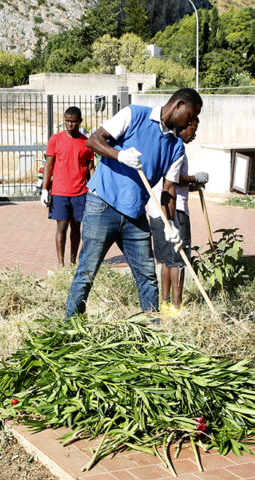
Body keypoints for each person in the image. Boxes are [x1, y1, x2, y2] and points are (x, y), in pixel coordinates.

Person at [65, 88, 203, 317]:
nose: (190, 122)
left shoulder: (176, 147)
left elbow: (168, 189)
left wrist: (171, 226)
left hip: (135, 215)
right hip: (102, 204)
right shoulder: (134, 115)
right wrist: (119, 155)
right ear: (179, 105)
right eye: (190, 115)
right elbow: (93, 140)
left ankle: (152, 328)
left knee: (147, 275)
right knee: (87, 272)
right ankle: (69, 327)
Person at [147, 117, 208, 314]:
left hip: (156, 210)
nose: (194, 133)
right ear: (185, 125)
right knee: (179, 260)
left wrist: (191, 186)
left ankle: (164, 303)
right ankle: (176, 306)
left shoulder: (162, 144)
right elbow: (172, 180)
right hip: (175, 211)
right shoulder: (177, 147)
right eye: (193, 128)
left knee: (166, 260)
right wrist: (193, 178)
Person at [40, 107, 95, 266]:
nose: (69, 125)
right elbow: (49, 165)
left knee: (76, 228)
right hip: (60, 192)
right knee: (61, 228)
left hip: (80, 192)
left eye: (73, 122)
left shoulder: (86, 143)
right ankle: (61, 264)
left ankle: (72, 261)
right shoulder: (55, 140)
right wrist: (45, 189)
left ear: (80, 121)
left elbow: (91, 168)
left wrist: (93, 188)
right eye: (67, 121)